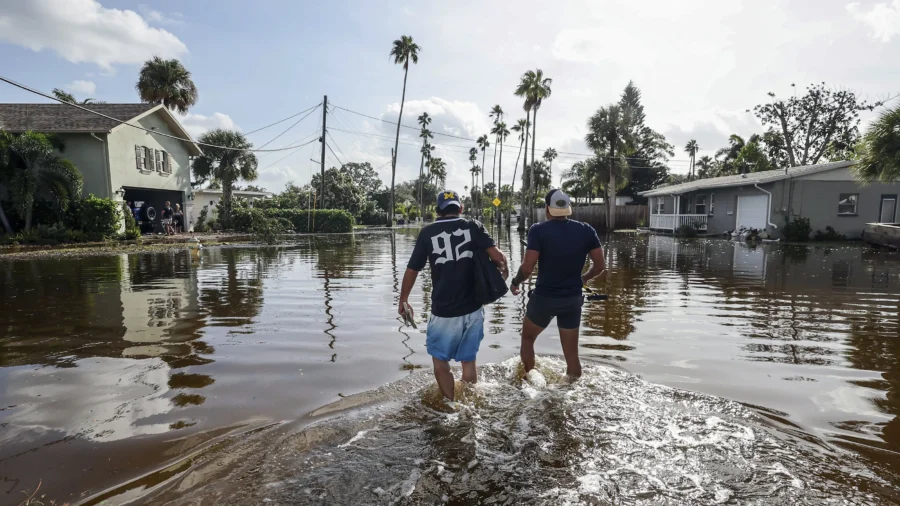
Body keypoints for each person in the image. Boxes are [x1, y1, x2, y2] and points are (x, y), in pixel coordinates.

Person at [399, 190, 509, 401]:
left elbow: (413, 270)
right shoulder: (473, 226)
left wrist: (403, 299)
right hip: (473, 308)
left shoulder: (427, 233)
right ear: (461, 208)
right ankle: (468, 403)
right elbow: (499, 258)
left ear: (438, 210)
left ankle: (451, 405)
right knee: (469, 362)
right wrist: (503, 276)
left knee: (441, 363)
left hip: (443, 310)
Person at [509, 189, 606, 379]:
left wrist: (515, 282)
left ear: (547, 208)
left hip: (544, 298)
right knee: (572, 356)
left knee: (528, 339)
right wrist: (583, 279)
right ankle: (572, 386)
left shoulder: (538, 230)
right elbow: (600, 266)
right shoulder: (586, 230)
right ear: (568, 208)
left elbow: (527, 268)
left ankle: (531, 381)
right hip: (572, 300)